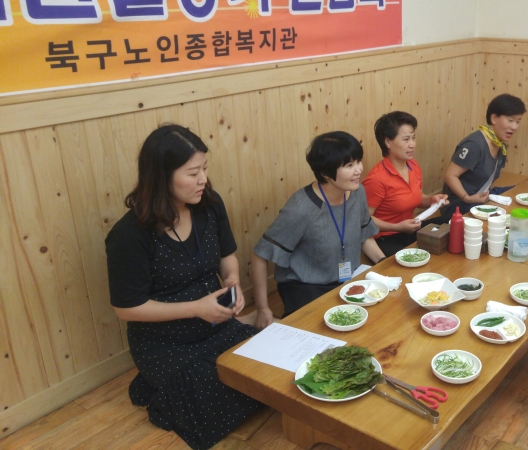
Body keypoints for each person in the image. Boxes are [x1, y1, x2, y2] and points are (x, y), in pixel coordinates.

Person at [105, 125, 263, 450]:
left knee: (267, 370)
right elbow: (126, 308)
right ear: (161, 177)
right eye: (193, 173)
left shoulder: (209, 204)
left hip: (218, 326)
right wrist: (196, 308)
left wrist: (232, 282)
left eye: (205, 168)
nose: (203, 179)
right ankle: (160, 390)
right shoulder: (129, 235)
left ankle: (173, 387)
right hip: (165, 344)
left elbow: (227, 256)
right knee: (218, 394)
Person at [251, 131, 385, 318]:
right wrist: (262, 308)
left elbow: (365, 237)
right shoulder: (301, 207)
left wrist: (384, 266)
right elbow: (260, 255)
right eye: (349, 165)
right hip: (306, 286)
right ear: (325, 173)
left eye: (358, 161)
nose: (358, 170)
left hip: (347, 281)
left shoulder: (357, 192)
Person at [362, 111, 449, 256]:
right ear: (388, 142)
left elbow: (416, 198)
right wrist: (397, 227)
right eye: (406, 139)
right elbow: (364, 219)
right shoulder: (376, 178)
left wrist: (432, 200)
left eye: (413, 138)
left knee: (452, 221)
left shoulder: (413, 165)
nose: (412, 144)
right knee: (415, 259)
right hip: (386, 238)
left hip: (410, 230)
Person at [440, 94, 526, 221]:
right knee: (498, 216)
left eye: (518, 121)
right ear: (494, 118)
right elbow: (450, 176)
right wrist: (467, 198)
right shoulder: (474, 145)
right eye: (510, 120)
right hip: (459, 204)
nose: (515, 127)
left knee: (519, 192)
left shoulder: (501, 145)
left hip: (482, 196)